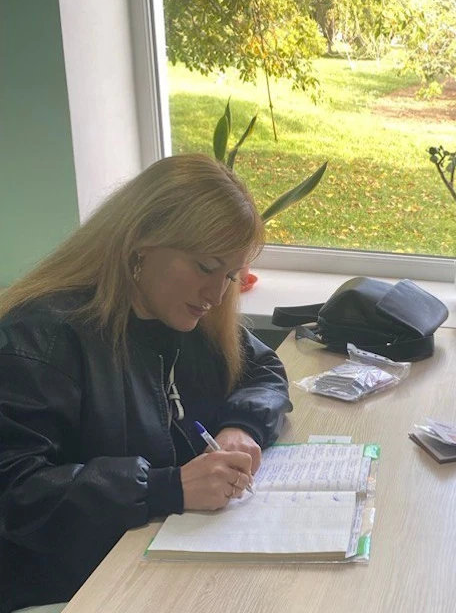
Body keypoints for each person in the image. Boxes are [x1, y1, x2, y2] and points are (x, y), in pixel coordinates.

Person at [0, 154, 293, 612]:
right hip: (69, 588)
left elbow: (263, 369)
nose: (217, 295)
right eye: (205, 266)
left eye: (230, 276)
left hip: (157, 554)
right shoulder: (42, 335)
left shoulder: (189, 314)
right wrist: (164, 488)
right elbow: (17, 492)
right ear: (140, 244)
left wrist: (242, 425)